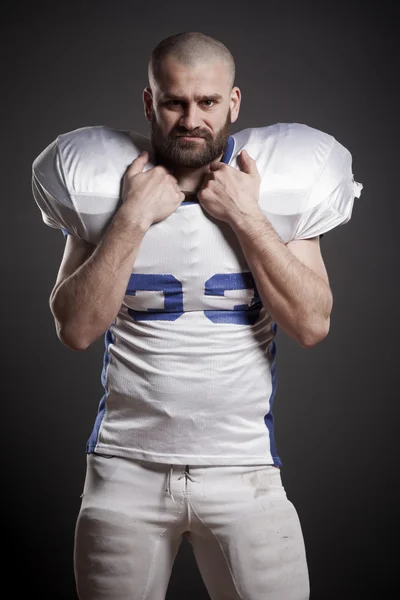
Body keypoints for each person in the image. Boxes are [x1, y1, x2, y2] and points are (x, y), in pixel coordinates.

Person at [31, 31, 363, 600]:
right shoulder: (105, 185)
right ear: (148, 102)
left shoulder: (276, 185)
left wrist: (246, 216)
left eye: (207, 102)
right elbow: (76, 328)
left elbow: (312, 323)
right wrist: (132, 217)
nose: (191, 119)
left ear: (233, 103)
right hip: (123, 471)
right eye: (174, 101)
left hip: (244, 472)